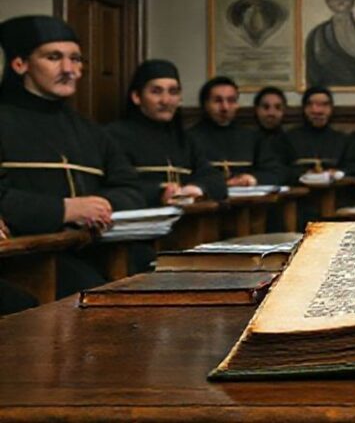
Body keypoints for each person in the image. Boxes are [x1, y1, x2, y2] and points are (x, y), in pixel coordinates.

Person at [0, 15, 145, 300]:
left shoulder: (91, 130)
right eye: (54, 57)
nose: (69, 69)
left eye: (76, 59)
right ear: (20, 64)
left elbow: (132, 190)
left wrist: (96, 207)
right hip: (22, 261)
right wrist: (64, 210)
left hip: (91, 249)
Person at [106, 60, 227, 207]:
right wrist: (159, 194)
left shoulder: (186, 139)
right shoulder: (114, 136)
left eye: (173, 92)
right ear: (137, 97)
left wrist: (195, 188)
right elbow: (116, 186)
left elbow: (214, 178)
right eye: (156, 92)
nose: (166, 100)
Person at [188, 77, 283, 187]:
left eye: (231, 100)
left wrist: (252, 179)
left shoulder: (253, 138)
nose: (225, 107)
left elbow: (276, 172)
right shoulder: (189, 138)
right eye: (218, 101)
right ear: (205, 104)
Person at [284, 86, 355, 180]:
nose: (318, 111)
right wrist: (304, 174)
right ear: (304, 109)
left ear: (331, 109)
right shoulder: (288, 139)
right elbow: (279, 170)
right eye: (312, 105)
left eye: (324, 105)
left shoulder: (344, 141)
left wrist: (337, 174)